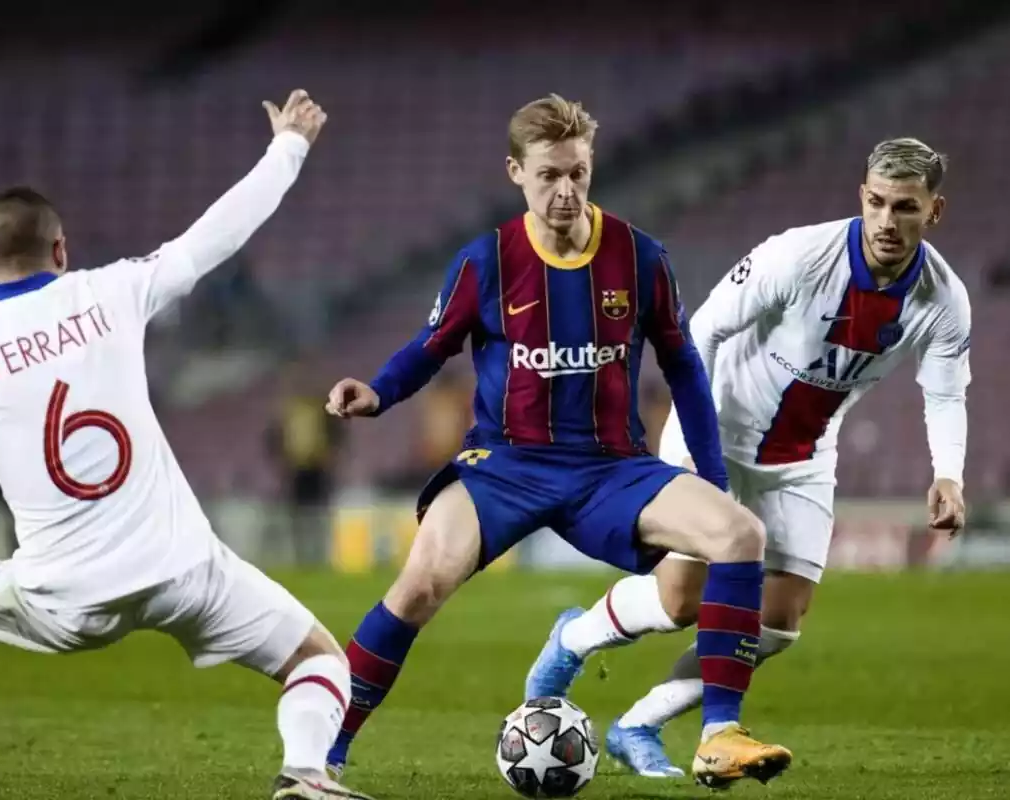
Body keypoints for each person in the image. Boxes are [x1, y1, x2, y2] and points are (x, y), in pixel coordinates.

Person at [0, 90, 375, 800]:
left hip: (62, 596)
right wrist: (288, 146)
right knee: (320, 660)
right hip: (183, 570)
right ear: (61, 250)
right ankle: (306, 773)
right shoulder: (109, 293)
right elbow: (213, 238)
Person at [323, 94, 792, 790]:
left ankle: (719, 735)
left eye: (577, 172)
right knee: (419, 584)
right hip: (504, 466)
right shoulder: (487, 262)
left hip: (611, 468)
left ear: (591, 165)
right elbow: (432, 346)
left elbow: (685, 366)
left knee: (739, 534)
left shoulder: (639, 257)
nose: (566, 190)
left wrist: (711, 477)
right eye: (549, 175)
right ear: (517, 171)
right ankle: (319, 757)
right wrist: (380, 392)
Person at [525, 137, 970, 778]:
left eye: (905, 207)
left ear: (934, 211)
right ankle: (573, 637)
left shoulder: (943, 300)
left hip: (806, 455)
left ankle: (637, 724)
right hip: (718, 433)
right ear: (861, 198)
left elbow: (946, 391)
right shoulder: (798, 256)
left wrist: (948, 475)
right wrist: (698, 452)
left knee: (780, 621)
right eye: (876, 202)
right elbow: (698, 332)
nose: (886, 221)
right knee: (680, 601)